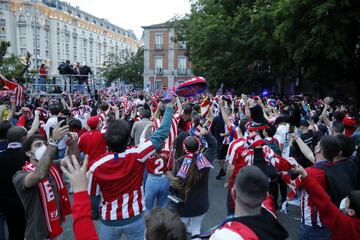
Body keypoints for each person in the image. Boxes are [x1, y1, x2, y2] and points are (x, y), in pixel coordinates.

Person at [87, 98, 176, 240]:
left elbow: (93, 196)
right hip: (135, 216)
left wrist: (96, 214)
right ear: (128, 139)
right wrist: (170, 106)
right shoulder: (138, 154)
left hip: (109, 219)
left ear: (106, 141)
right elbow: (162, 133)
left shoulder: (95, 167)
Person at [60, 155, 187, 240]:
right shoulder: (158, 155)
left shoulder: (144, 158)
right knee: (161, 203)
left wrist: (79, 191)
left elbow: (83, 230)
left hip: (112, 215)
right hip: (161, 180)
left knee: (148, 205)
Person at [12, 123, 72, 240]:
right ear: (28, 153)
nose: (44, 148)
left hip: (56, 227)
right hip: (38, 235)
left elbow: (72, 159)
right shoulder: (20, 176)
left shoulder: (52, 166)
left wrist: (73, 142)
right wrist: (53, 142)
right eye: (38, 145)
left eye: (44, 144)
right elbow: (39, 174)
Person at [283, 135, 341, 240]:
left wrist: (282, 170)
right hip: (328, 221)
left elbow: (292, 185)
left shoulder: (310, 173)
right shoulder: (333, 165)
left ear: (318, 149)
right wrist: (297, 137)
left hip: (312, 226)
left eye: (318, 144)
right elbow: (309, 154)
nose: (316, 145)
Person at [210, 166, 288, 239]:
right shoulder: (270, 213)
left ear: (233, 194)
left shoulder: (224, 235)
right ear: (265, 196)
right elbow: (268, 200)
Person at [292, 165, 360, 240]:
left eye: (347, 201)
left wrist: (305, 174)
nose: (344, 200)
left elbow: (323, 199)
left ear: (351, 212)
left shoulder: (345, 223)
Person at [171, 129, 217, 239]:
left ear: (184, 148)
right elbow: (213, 144)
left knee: (180, 232)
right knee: (196, 229)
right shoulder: (205, 160)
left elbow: (174, 185)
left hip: (184, 206)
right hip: (201, 204)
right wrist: (206, 133)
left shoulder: (178, 163)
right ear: (199, 146)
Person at [0, 127, 28, 240]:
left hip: (7, 202)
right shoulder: (29, 157)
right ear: (24, 138)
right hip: (27, 201)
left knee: (14, 232)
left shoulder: (1, 156)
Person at [78, 115, 107, 219]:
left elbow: (79, 150)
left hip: (90, 166)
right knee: (104, 189)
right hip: (102, 165)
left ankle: (94, 213)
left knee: (93, 191)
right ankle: (103, 211)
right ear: (98, 124)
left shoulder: (83, 136)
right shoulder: (101, 134)